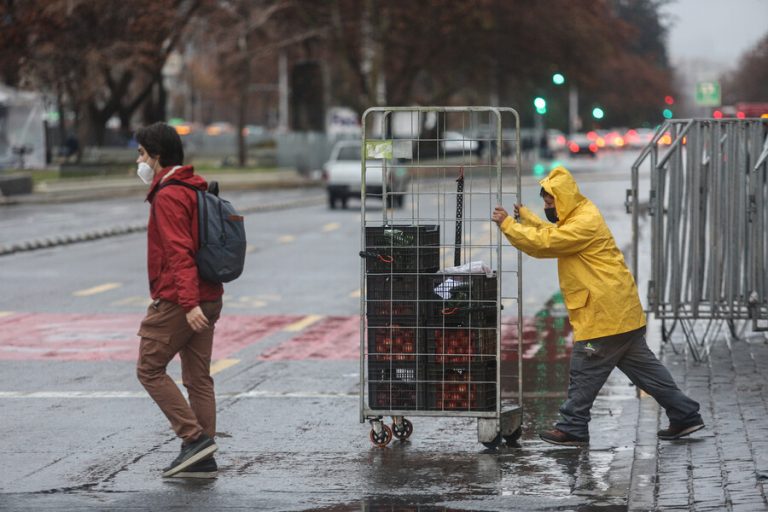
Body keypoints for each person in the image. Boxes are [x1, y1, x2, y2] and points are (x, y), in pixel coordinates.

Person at [491, 166, 703, 447]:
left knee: (585, 365)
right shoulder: (580, 214)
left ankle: (572, 426)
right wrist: (528, 218)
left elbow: (547, 243)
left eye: (549, 201)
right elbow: (556, 232)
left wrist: (509, 225)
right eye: (544, 202)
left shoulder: (583, 223)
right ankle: (685, 415)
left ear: (563, 199)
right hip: (620, 316)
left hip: (604, 318)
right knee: (647, 372)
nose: (546, 207)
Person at [134, 122, 223, 477]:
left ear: (156, 156)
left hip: (181, 299)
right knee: (198, 377)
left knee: (149, 368)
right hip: (209, 293)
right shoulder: (193, 186)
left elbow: (179, 253)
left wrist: (188, 305)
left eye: (141, 153)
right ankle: (203, 455)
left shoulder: (170, 194)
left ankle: (193, 439)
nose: (138, 159)